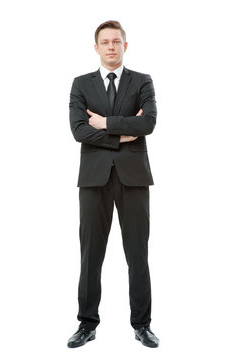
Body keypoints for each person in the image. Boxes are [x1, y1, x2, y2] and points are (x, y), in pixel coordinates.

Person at [67, 20, 159, 348]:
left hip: (134, 179)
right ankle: (87, 324)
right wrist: (122, 134)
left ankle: (142, 324)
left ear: (124, 46)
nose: (110, 46)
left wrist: (105, 124)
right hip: (94, 180)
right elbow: (79, 130)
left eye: (116, 42)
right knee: (91, 254)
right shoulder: (81, 85)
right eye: (104, 42)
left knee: (137, 253)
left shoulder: (142, 81)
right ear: (96, 48)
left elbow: (148, 122)